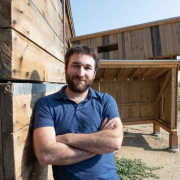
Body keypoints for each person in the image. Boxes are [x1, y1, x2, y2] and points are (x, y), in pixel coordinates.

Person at [33, 45, 123, 180]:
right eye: (76, 65)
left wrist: (66, 139)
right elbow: (46, 154)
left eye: (87, 68)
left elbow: (115, 142)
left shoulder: (105, 101)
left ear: (94, 73)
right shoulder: (46, 105)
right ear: (65, 68)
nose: (81, 73)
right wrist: (100, 144)